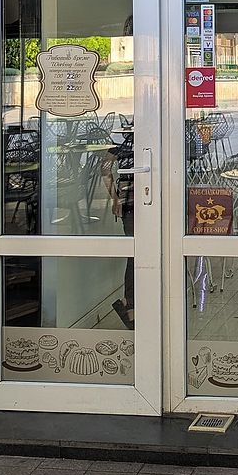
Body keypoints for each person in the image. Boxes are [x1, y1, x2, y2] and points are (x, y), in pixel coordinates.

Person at [102, 132, 135, 329]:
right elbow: (105, 169)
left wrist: (115, 198)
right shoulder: (153, 142)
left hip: (128, 202)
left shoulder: (122, 144)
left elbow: (105, 169)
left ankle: (130, 303)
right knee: (138, 254)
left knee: (134, 254)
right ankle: (131, 303)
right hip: (140, 203)